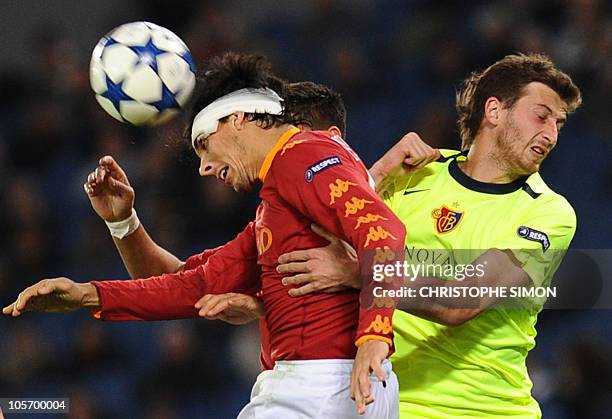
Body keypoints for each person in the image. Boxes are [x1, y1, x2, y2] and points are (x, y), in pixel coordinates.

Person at [3, 53, 419, 418]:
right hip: (348, 386)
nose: (203, 167)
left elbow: (384, 234)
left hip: (315, 385)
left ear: (237, 118)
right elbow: (194, 283)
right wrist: (90, 287)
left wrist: (374, 336)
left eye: (203, 144)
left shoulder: (301, 156)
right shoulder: (284, 197)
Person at [267, 53, 582, 418]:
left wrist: (360, 273)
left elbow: (461, 300)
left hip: (482, 410)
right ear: (494, 111)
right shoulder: (416, 174)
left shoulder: (547, 212)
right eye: (541, 116)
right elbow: (326, 241)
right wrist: (380, 173)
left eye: (559, 123)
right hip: (383, 403)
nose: (551, 134)